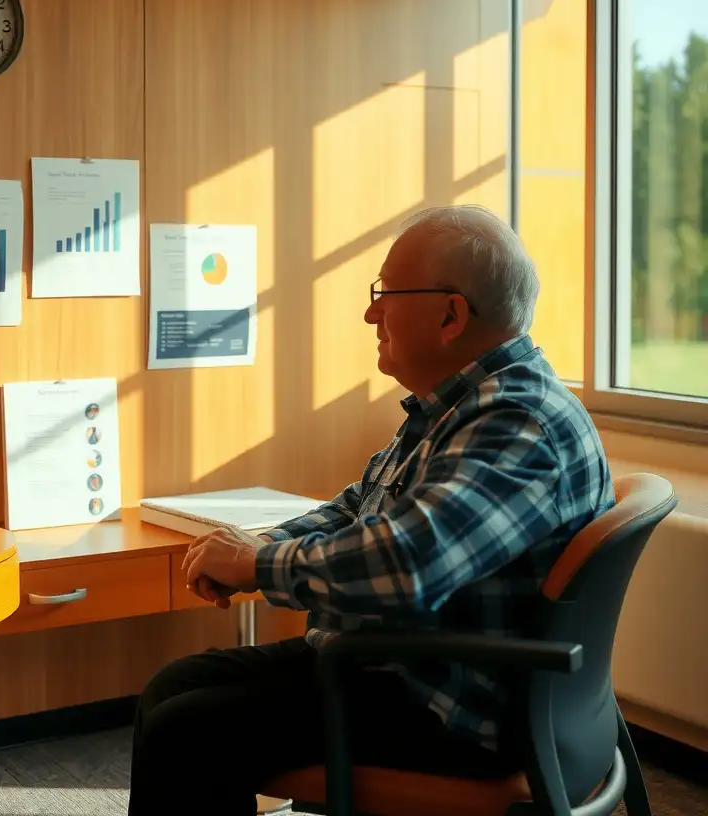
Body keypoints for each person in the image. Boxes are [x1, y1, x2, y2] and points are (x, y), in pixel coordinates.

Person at [127, 204, 614, 816]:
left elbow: (408, 563)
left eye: (385, 293)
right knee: (171, 689)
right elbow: (360, 508)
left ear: (450, 314)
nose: (370, 312)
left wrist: (258, 564)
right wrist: (257, 548)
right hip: (408, 664)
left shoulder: (518, 422)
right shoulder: (459, 406)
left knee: (188, 731)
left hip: (452, 705)